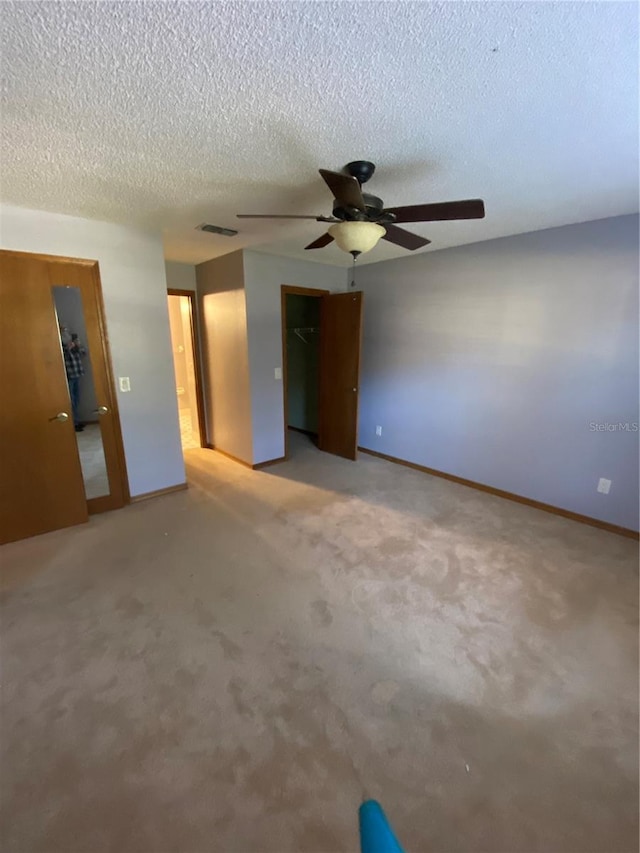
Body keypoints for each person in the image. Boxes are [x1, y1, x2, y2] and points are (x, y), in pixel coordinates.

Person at [60, 325, 85, 431]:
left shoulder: (74, 341)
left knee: (77, 399)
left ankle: (77, 421)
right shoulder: (60, 345)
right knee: (71, 401)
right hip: (68, 376)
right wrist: (68, 348)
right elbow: (60, 357)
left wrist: (77, 346)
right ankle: (74, 423)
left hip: (77, 374)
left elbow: (84, 353)